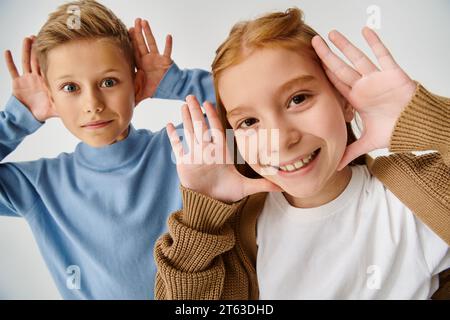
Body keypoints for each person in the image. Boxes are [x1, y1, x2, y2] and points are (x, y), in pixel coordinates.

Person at [155, 8, 450, 299]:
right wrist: (201, 220)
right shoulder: (235, 230)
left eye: (298, 99)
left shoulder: (410, 198)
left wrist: (430, 122)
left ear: (346, 101)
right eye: (249, 122)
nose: (281, 140)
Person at [0, 0, 213, 299]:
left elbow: (255, 115)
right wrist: (18, 117)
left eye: (109, 81)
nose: (93, 104)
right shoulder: (39, 186)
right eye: (70, 88)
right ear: (49, 97)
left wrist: (177, 83)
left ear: (137, 84)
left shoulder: (182, 147)